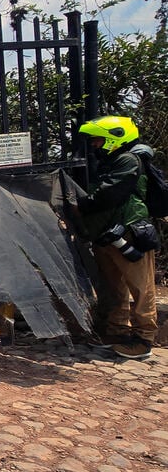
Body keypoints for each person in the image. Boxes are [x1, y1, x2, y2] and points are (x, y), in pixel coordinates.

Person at [74, 116, 158, 360]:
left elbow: (108, 193)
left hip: (129, 231)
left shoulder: (128, 160)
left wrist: (83, 205)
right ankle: (116, 333)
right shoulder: (111, 161)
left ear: (114, 137)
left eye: (99, 140)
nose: (95, 145)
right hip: (108, 234)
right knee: (113, 287)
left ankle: (144, 339)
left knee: (141, 288)